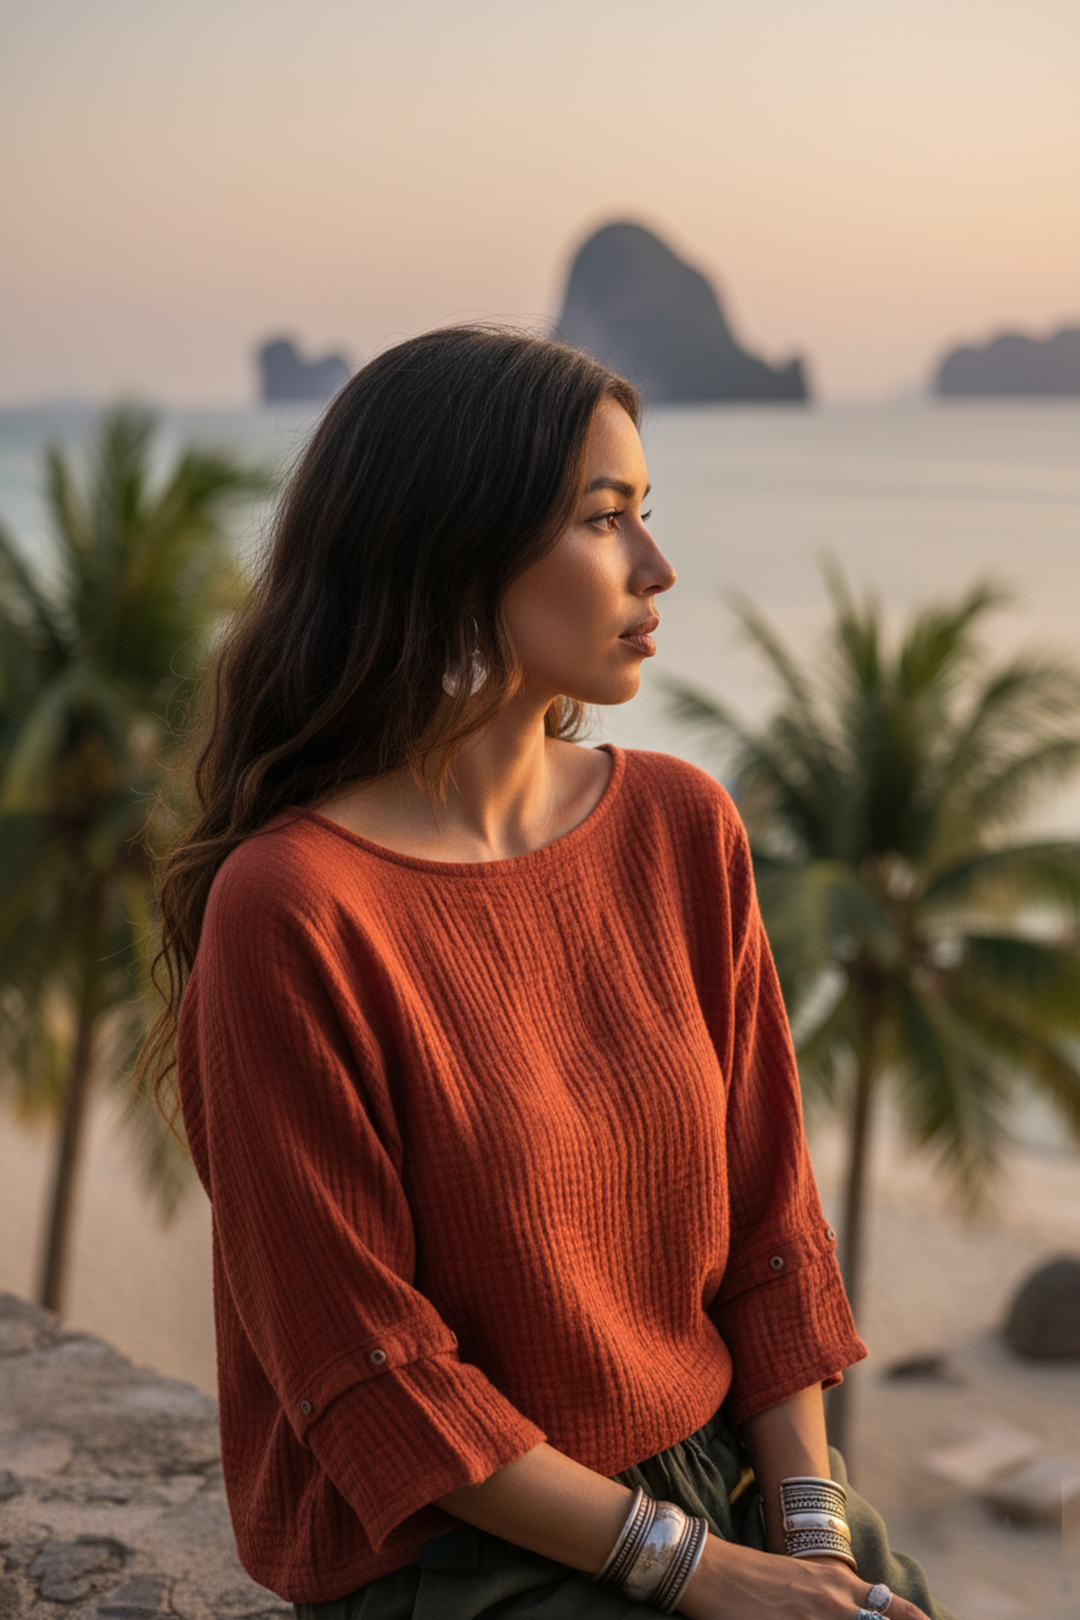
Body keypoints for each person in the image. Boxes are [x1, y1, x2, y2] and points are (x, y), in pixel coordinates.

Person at [142, 327, 958, 1620]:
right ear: (454, 553)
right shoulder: (295, 910)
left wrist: (810, 1533)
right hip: (461, 1549)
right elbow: (373, 1371)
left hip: (724, 1482)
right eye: (605, 520)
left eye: (648, 516)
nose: (657, 566)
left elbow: (771, 1227)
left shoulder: (685, 828)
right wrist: (704, 1575)